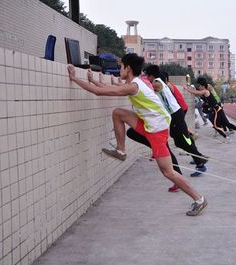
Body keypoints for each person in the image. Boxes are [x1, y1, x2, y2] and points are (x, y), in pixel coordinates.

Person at [67, 53, 207, 216]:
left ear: (128, 68)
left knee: (168, 172)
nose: (119, 69)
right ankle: (121, 150)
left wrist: (75, 78)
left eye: (121, 67)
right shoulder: (137, 82)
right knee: (118, 113)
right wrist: (91, 80)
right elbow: (111, 89)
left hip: (156, 131)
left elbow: (101, 92)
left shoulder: (134, 86)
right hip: (150, 124)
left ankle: (199, 199)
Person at [144, 65, 207, 178]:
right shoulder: (161, 82)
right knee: (178, 141)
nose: (146, 78)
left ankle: (200, 162)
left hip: (176, 114)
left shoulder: (157, 83)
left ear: (151, 76)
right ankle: (199, 157)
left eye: (146, 76)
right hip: (174, 115)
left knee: (185, 140)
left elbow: (145, 87)